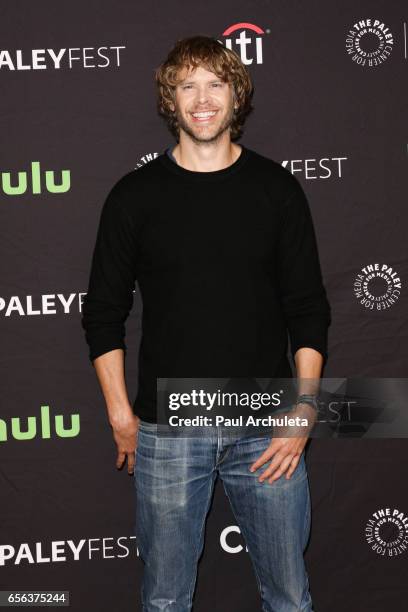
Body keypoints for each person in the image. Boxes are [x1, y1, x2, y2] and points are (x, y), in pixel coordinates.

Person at [81, 35, 331, 612]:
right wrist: (121, 414)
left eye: (215, 84)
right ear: (169, 99)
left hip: (264, 424)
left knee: (290, 598)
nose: (201, 99)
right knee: (165, 600)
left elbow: (309, 310)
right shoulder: (133, 197)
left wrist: (305, 410)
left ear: (236, 96)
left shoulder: (278, 191)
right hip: (167, 431)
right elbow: (102, 315)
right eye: (186, 85)